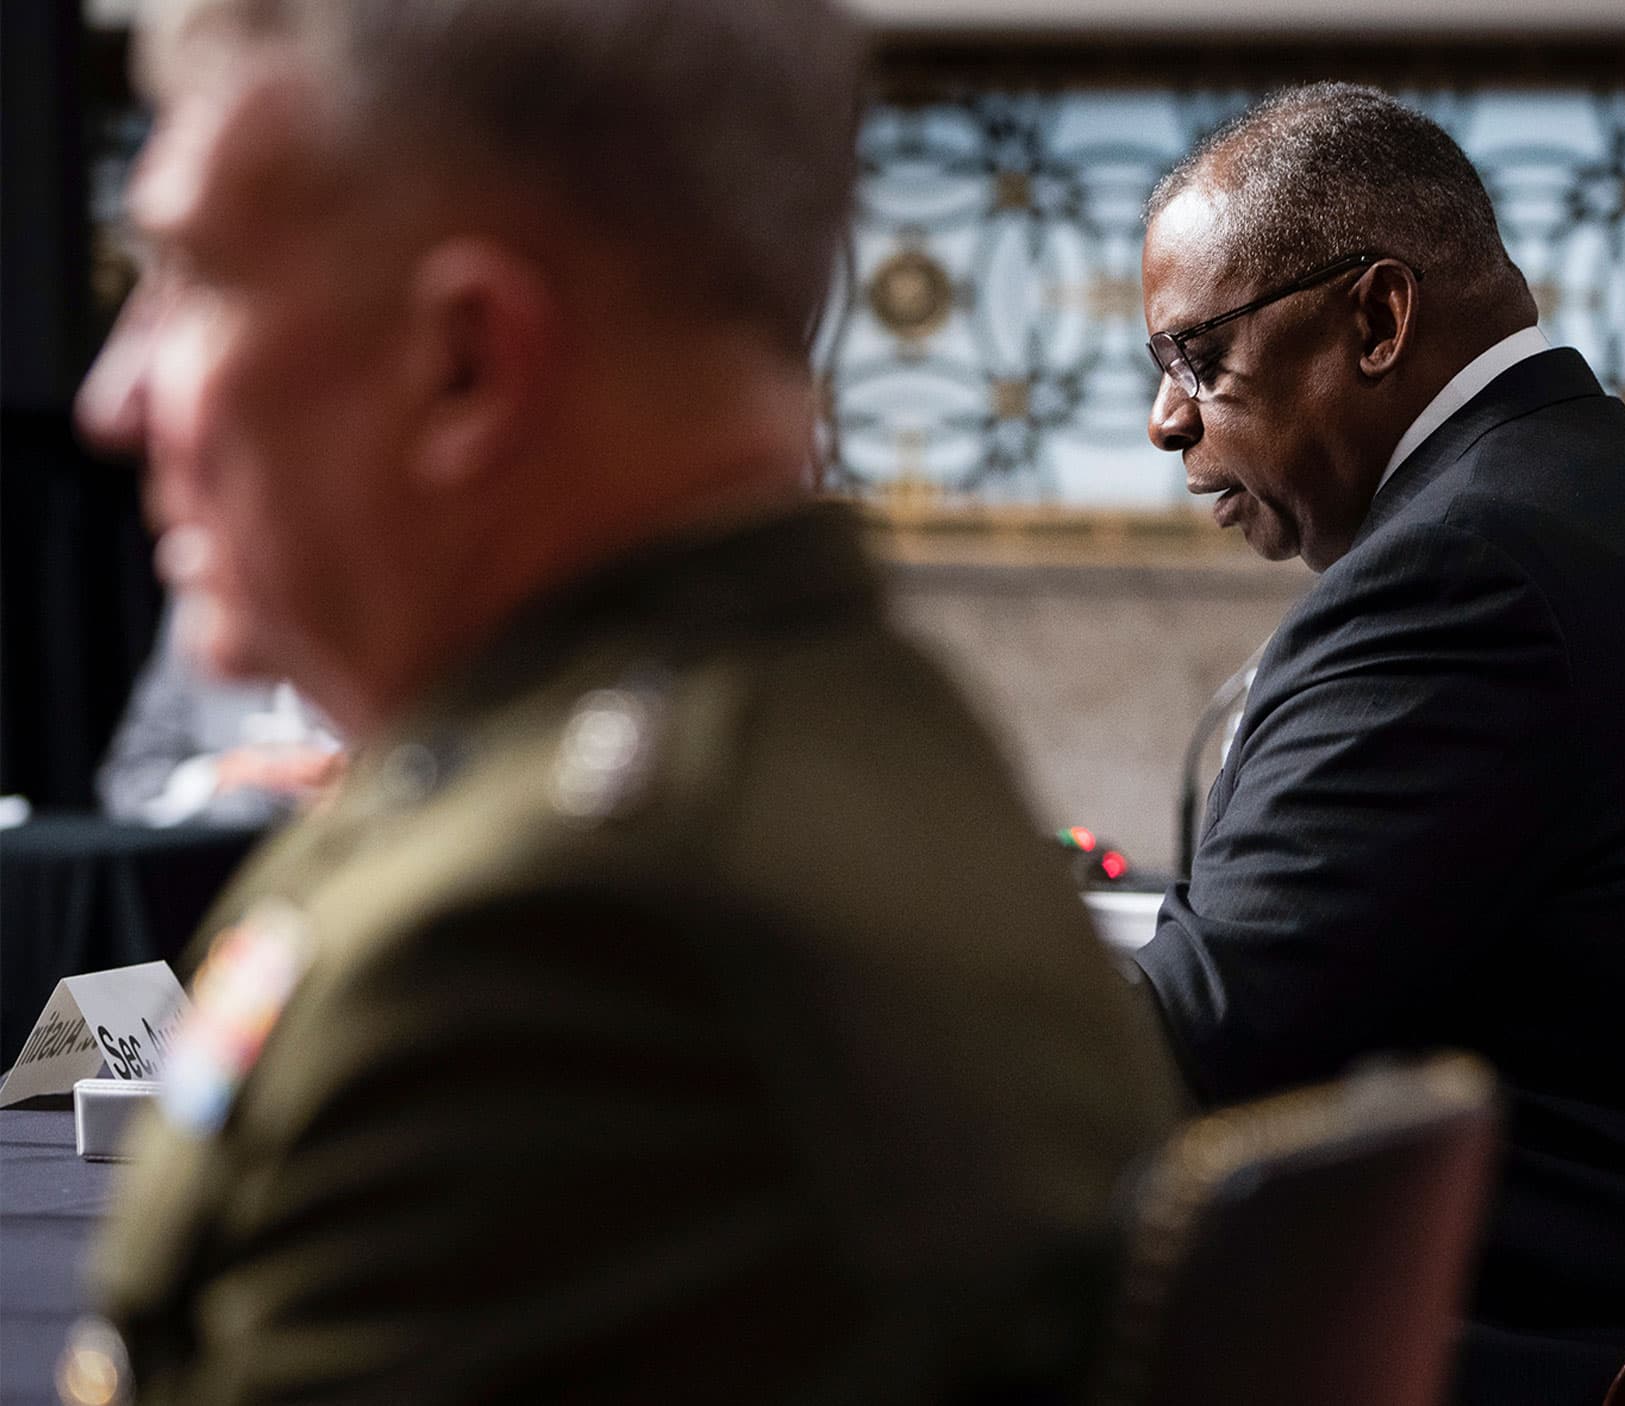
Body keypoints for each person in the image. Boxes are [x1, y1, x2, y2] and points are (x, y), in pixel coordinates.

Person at [61, 2, 1181, 1402]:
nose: (115, 398)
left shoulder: (551, 945)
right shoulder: (846, 741)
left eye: (188, 277)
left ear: (463, 365)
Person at [1132, 85, 1625, 1406]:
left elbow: (1212, 1032)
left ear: (1376, 318)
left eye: (1197, 355)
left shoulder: (1471, 563)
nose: (1168, 420)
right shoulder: (1588, 487)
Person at [96, 606, 342, 827]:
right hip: (227, 860)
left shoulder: (371, 591)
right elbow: (128, 782)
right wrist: (220, 776)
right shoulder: (202, 592)